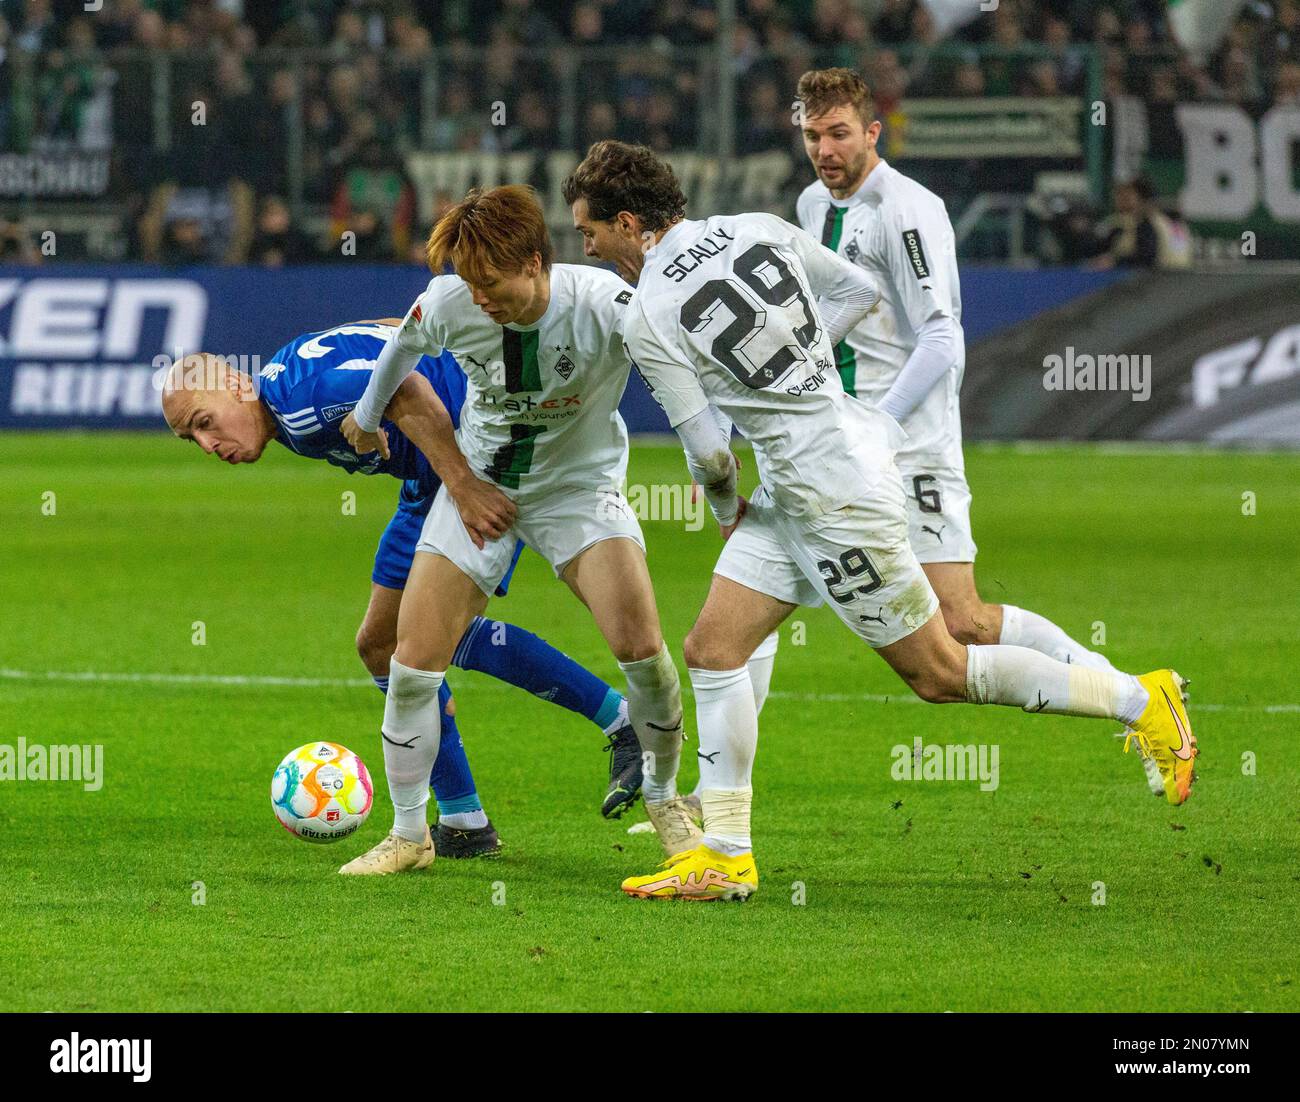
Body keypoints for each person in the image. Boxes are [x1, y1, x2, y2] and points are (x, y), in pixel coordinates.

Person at [564, 139, 1198, 902]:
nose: (586, 247)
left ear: (629, 222)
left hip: (829, 496)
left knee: (939, 671)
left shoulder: (650, 313)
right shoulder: (757, 227)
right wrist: (797, 370)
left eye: (589, 231)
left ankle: (1139, 698)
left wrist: (729, 510)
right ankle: (725, 855)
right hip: (819, 468)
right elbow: (858, 291)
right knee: (713, 648)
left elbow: (708, 453)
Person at [160, 326, 645, 862]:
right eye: (192, 439)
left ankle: (627, 725)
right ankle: (463, 821)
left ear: (233, 383)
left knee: (433, 635)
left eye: (204, 423)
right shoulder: (283, 395)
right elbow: (392, 336)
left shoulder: (303, 400)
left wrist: (464, 485)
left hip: (483, 457)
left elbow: (408, 388)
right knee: (381, 644)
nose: (208, 445)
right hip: (431, 478)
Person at [335, 184, 697, 876]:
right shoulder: (450, 301)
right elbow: (402, 346)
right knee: (411, 666)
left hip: (579, 494)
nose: (478, 298)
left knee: (644, 653)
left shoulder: (605, 307)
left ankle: (664, 798)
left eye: (491, 282)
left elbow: (679, 372)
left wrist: (707, 461)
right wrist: (367, 413)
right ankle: (411, 836)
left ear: (536, 261)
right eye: (469, 283)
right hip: (481, 490)